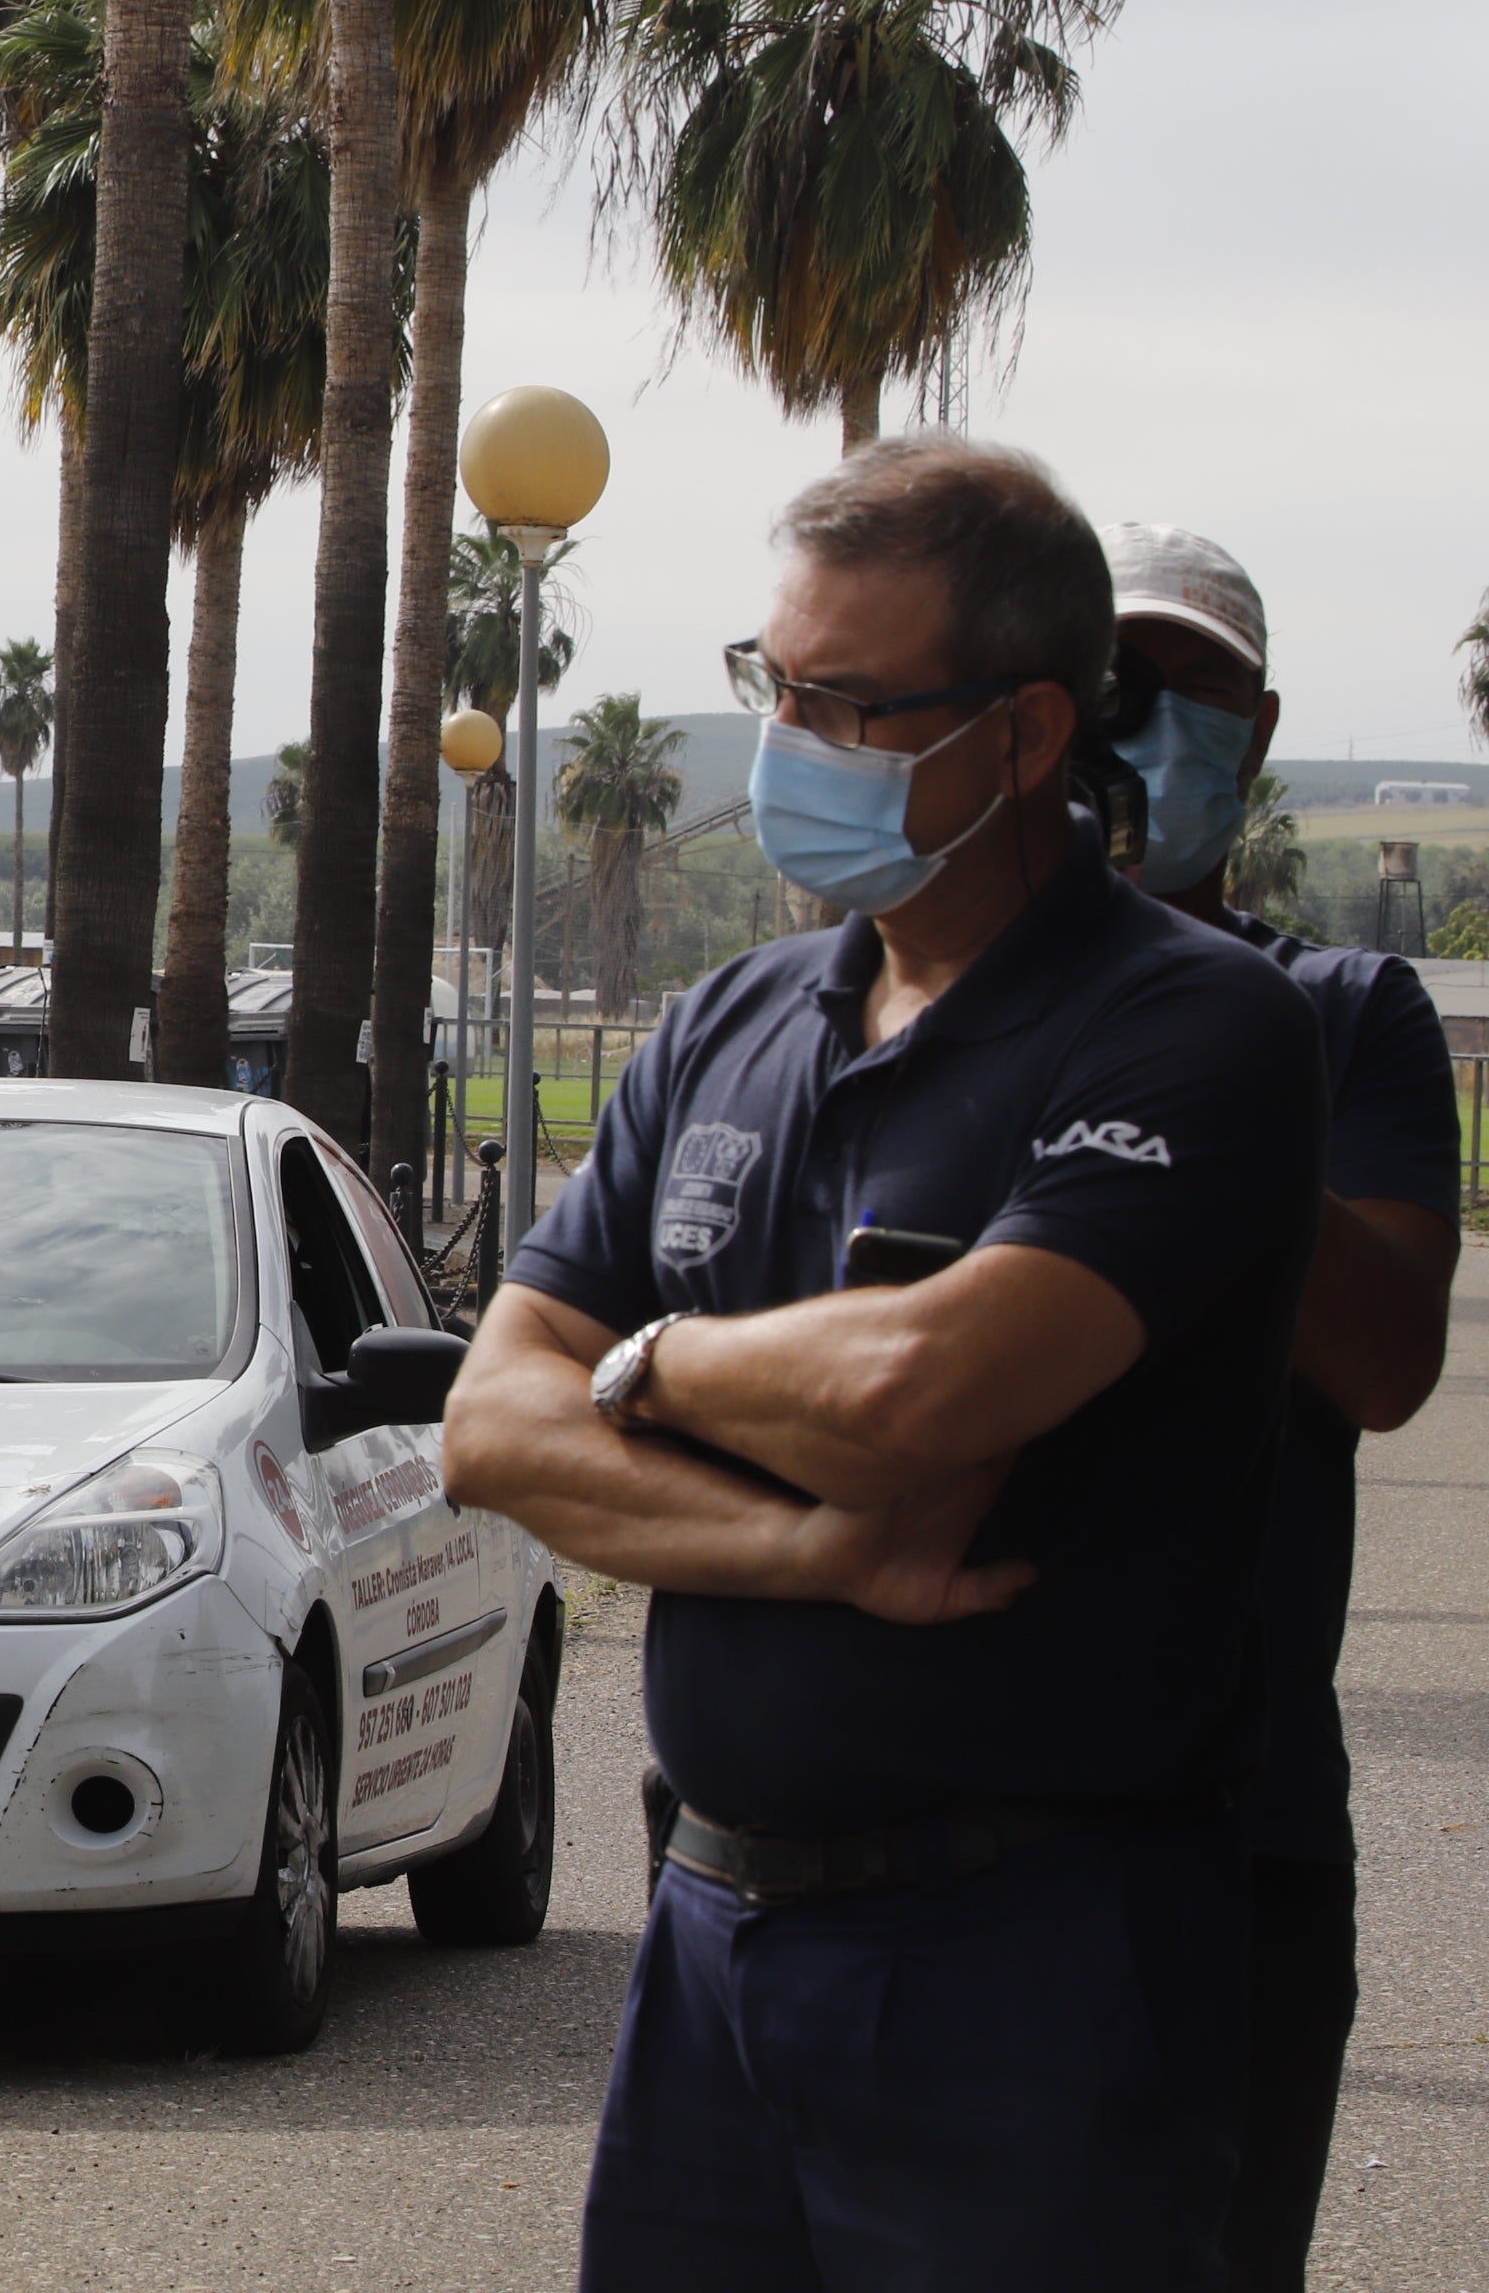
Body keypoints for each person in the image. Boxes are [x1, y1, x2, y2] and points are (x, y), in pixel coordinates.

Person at [440, 441, 1329, 2291]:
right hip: (709, 1932)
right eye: (777, 686)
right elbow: (485, 1422)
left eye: (848, 704)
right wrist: (811, 1548)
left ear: (1018, 739)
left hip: (1032, 1962)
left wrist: (651, 1362)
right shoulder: (732, 1021)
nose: (790, 743)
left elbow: (922, 1396)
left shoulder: (1190, 1023)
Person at [1103, 523, 1460, 2291]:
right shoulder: (924, 1001)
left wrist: (1193, 1056)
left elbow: (1387, 1363)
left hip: (1239, 1837)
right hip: (943, 1839)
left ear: (1257, 732)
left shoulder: (1339, 1016)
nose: (1151, 726)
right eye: (1116, 683)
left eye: (1196, 692)